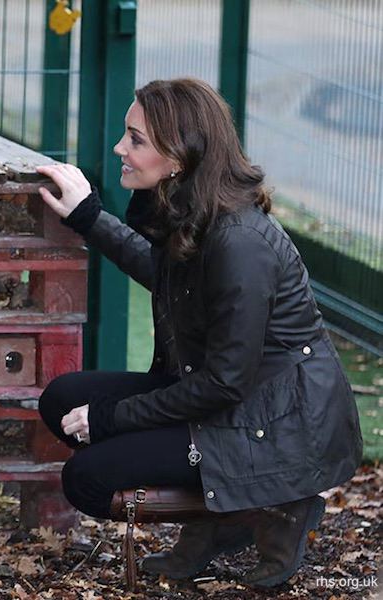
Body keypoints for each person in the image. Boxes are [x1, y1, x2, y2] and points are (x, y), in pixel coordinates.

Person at [36, 78, 362, 588]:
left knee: (88, 479)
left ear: (179, 156)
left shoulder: (240, 244)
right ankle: (225, 515)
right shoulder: (194, 208)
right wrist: (90, 218)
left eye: (135, 139)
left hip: (274, 425)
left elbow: (225, 384)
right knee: (63, 399)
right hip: (230, 398)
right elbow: (166, 278)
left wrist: (112, 418)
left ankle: (259, 508)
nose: (121, 147)